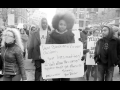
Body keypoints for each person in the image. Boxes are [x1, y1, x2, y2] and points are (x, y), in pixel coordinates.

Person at [47, 12, 75, 81]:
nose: (62, 26)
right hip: (55, 65)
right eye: (61, 24)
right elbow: (47, 49)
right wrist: (44, 58)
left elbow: (74, 50)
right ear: (57, 24)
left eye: (64, 25)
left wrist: (80, 55)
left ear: (68, 25)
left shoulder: (71, 36)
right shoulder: (51, 36)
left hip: (67, 66)